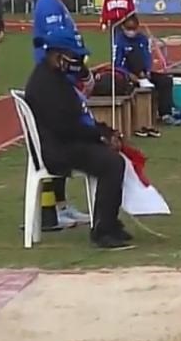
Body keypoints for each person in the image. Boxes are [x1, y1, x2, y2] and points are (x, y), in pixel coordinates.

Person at [24, 27, 133, 250]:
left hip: (65, 140)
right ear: (58, 55)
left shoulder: (57, 77)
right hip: (57, 149)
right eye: (74, 56)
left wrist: (105, 132)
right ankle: (103, 230)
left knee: (113, 157)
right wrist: (100, 136)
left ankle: (110, 223)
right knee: (112, 163)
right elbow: (66, 126)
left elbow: (78, 119)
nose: (78, 62)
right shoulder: (46, 84)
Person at [31, 0, 93, 228]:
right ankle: (53, 209)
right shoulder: (47, 5)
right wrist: (78, 71)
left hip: (65, 81)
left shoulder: (57, 3)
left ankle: (62, 205)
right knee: (66, 137)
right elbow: (57, 48)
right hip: (54, 84)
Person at [113, 13, 180, 136]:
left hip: (144, 74)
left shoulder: (143, 39)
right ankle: (137, 119)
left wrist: (148, 71)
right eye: (129, 29)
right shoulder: (119, 41)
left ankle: (165, 114)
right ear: (123, 27)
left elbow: (147, 57)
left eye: (134, 29)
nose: (131, 32)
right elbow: (116, 64)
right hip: (127, 75)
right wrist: (129, 75)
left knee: (165, 81)